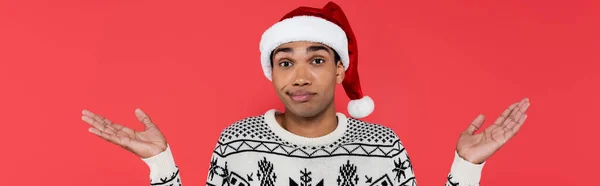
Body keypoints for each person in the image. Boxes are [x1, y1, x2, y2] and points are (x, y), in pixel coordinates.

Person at [81, 2, 531, 186]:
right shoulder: (236, 142)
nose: (300, 76)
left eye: (317, 60)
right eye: (285, 61)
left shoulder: (383, 147)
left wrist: (466, 167)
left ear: (340, 69)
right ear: (271, 73)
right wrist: (159, 163)